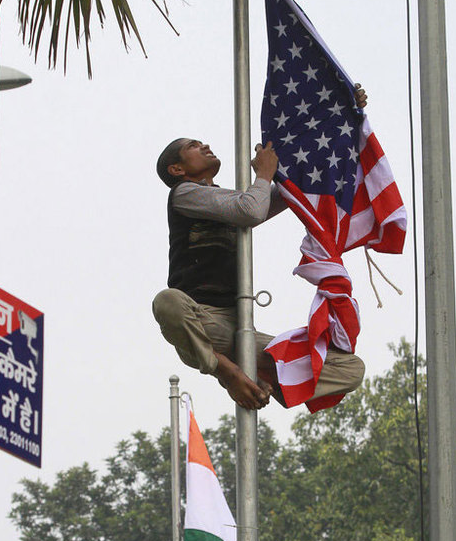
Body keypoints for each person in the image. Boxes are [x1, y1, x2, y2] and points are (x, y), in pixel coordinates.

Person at [152, 85, 368, 411]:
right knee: (166, 302)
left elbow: (291, 189)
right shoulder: (183, 194)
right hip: (200, 320)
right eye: (194, 147)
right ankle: (229, 373)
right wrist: (264, 174)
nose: (205, 146)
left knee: (351, 368)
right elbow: (252, 210)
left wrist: (343, 118)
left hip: (240, 329)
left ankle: (267, 375)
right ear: (177, 169)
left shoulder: (229, 202)